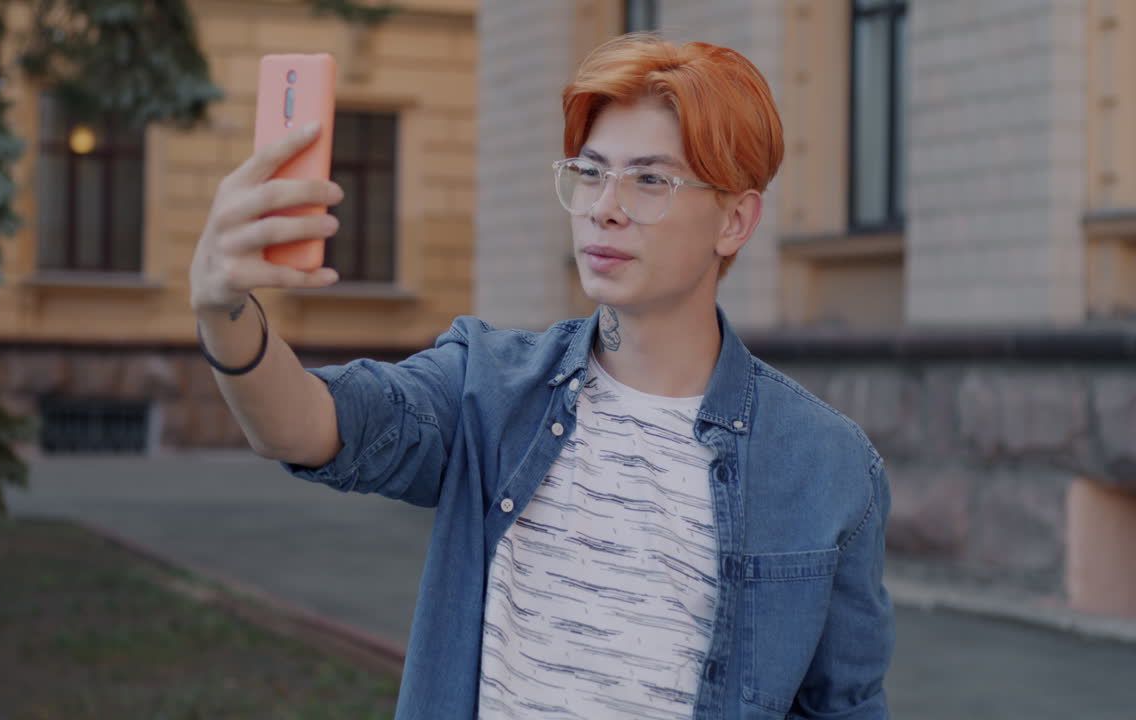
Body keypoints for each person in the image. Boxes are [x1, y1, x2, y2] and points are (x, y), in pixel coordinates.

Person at [190, 33, 894, 720]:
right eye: (589, 172)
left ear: (735, 220)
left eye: (650, 179)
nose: (604, 206)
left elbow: (844, 703)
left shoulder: (826, 464)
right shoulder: (491, 389)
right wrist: (221, 306)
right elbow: (311, 426)